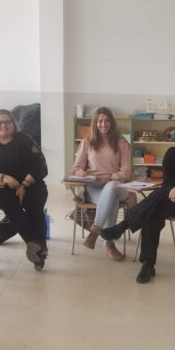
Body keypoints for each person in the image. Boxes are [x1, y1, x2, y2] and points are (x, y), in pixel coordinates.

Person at [101, 120, 175, 284]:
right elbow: (167, 181)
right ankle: (148, 264)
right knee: (153, 211)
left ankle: (124, 228)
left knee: (154, 205)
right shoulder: (172, 153)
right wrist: (173, 190)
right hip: (169, 198)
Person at [0, 109, 49, 270]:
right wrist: (3, 177)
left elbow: (41, 165)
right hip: (1, 187)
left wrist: (24, 186)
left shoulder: (26, 140)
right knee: (11, 205)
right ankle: (37, 247)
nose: (3, 125)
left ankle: (35, 251)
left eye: (7, 122)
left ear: (14, 124)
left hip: (31, 183)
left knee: (35, 206)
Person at [71, 107, 131, 261]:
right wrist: (81, 172)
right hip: (94, 188)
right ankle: (109, 243)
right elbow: (76, 168)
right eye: (100, 121)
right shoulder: (87, 142)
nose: (104, 124)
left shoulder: (122, 142)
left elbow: (126, 171)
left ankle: (95, 230)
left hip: (118, 186)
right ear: (95, 123)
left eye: (107, 121)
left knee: (111, 187)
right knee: (112, 201)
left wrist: (114, 177)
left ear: (112, 122)